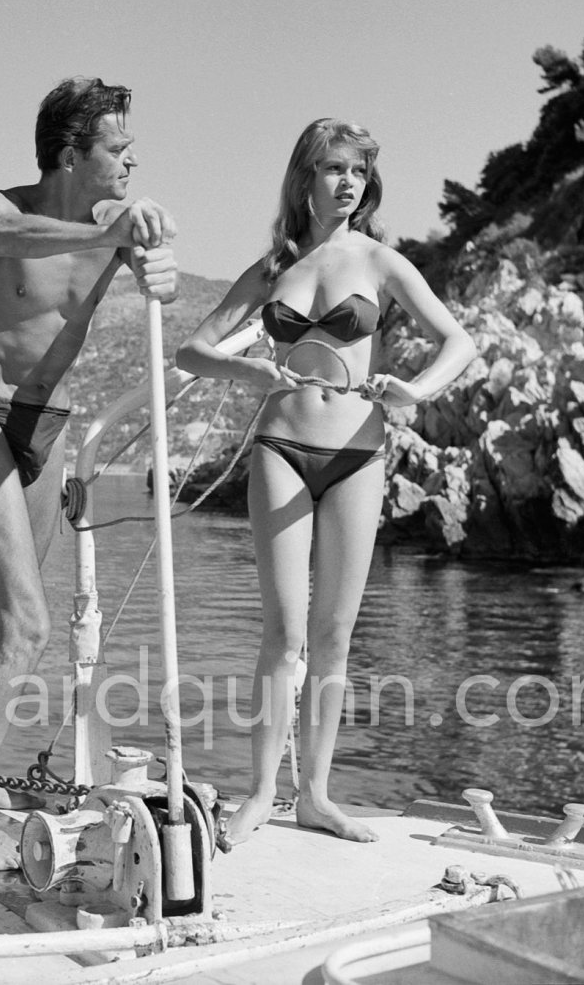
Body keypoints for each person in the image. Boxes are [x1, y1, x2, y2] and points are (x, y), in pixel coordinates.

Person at [176, 117, 475, 848]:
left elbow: (456, 340)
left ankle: (315, 795)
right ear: (305, 176)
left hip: (358, 458)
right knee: (283, 633)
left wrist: (417, 390)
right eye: (336, 168)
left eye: (360, 172)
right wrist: (242, 367)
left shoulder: (381, 262)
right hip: (279, 447)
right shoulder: (273, 268)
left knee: (334, 637)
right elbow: (191, 350)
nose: (349, 182)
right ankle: (257, 795)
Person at [0, 77, 179, 870]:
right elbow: (3, 236)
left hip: (49, 427)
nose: (132, 158)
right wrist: (112, 235)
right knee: (29, 625)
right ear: (71, 153)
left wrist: (155, 259)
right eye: (116, 147)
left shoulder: (112, 222)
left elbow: (138, 241)